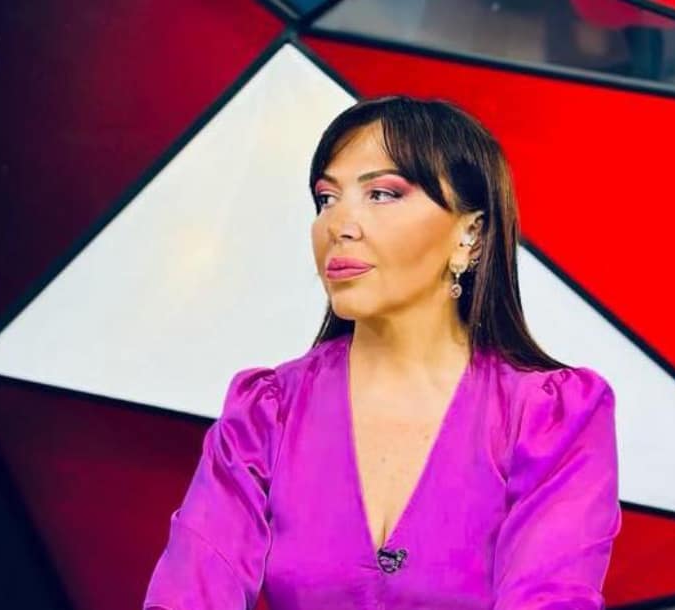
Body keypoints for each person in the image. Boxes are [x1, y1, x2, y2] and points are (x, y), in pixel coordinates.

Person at [143, 95, 622, 610]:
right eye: (327, 199)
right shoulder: (266, 411)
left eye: (382, 194)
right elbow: (188, 593)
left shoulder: (551, 416)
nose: (339, 226)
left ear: (471, 234)